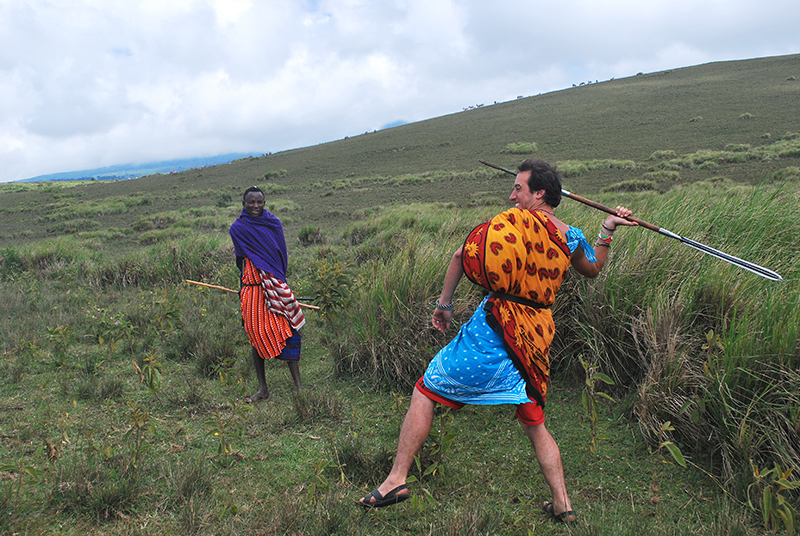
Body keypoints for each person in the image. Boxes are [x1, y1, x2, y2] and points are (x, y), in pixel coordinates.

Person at [357, 159, 637, 523]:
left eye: (518, 188)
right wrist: (607, 229)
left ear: (539, 193)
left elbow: (462, 253)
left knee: (426, 389)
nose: (512, 195)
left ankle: (396, 479)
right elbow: (593, 270)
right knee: (534, 420)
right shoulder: (570, 236)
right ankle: (563, 504)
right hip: (536, 335)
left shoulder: (512, 224)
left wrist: (444, 304)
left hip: (496, 329)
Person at [229, 186, 304, 402]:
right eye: (251, 202)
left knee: (287, 329)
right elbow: (242, 262)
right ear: (244, 204)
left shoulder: (273, 224)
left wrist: (278, 281)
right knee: (255, 335)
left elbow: (280, 256)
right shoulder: (238, 228)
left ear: (264, 203)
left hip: (274, 284)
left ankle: (299, 386)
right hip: (252, 288)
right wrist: (244, 288)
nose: (255, 206)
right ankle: (263, 388)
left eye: (259, 202)